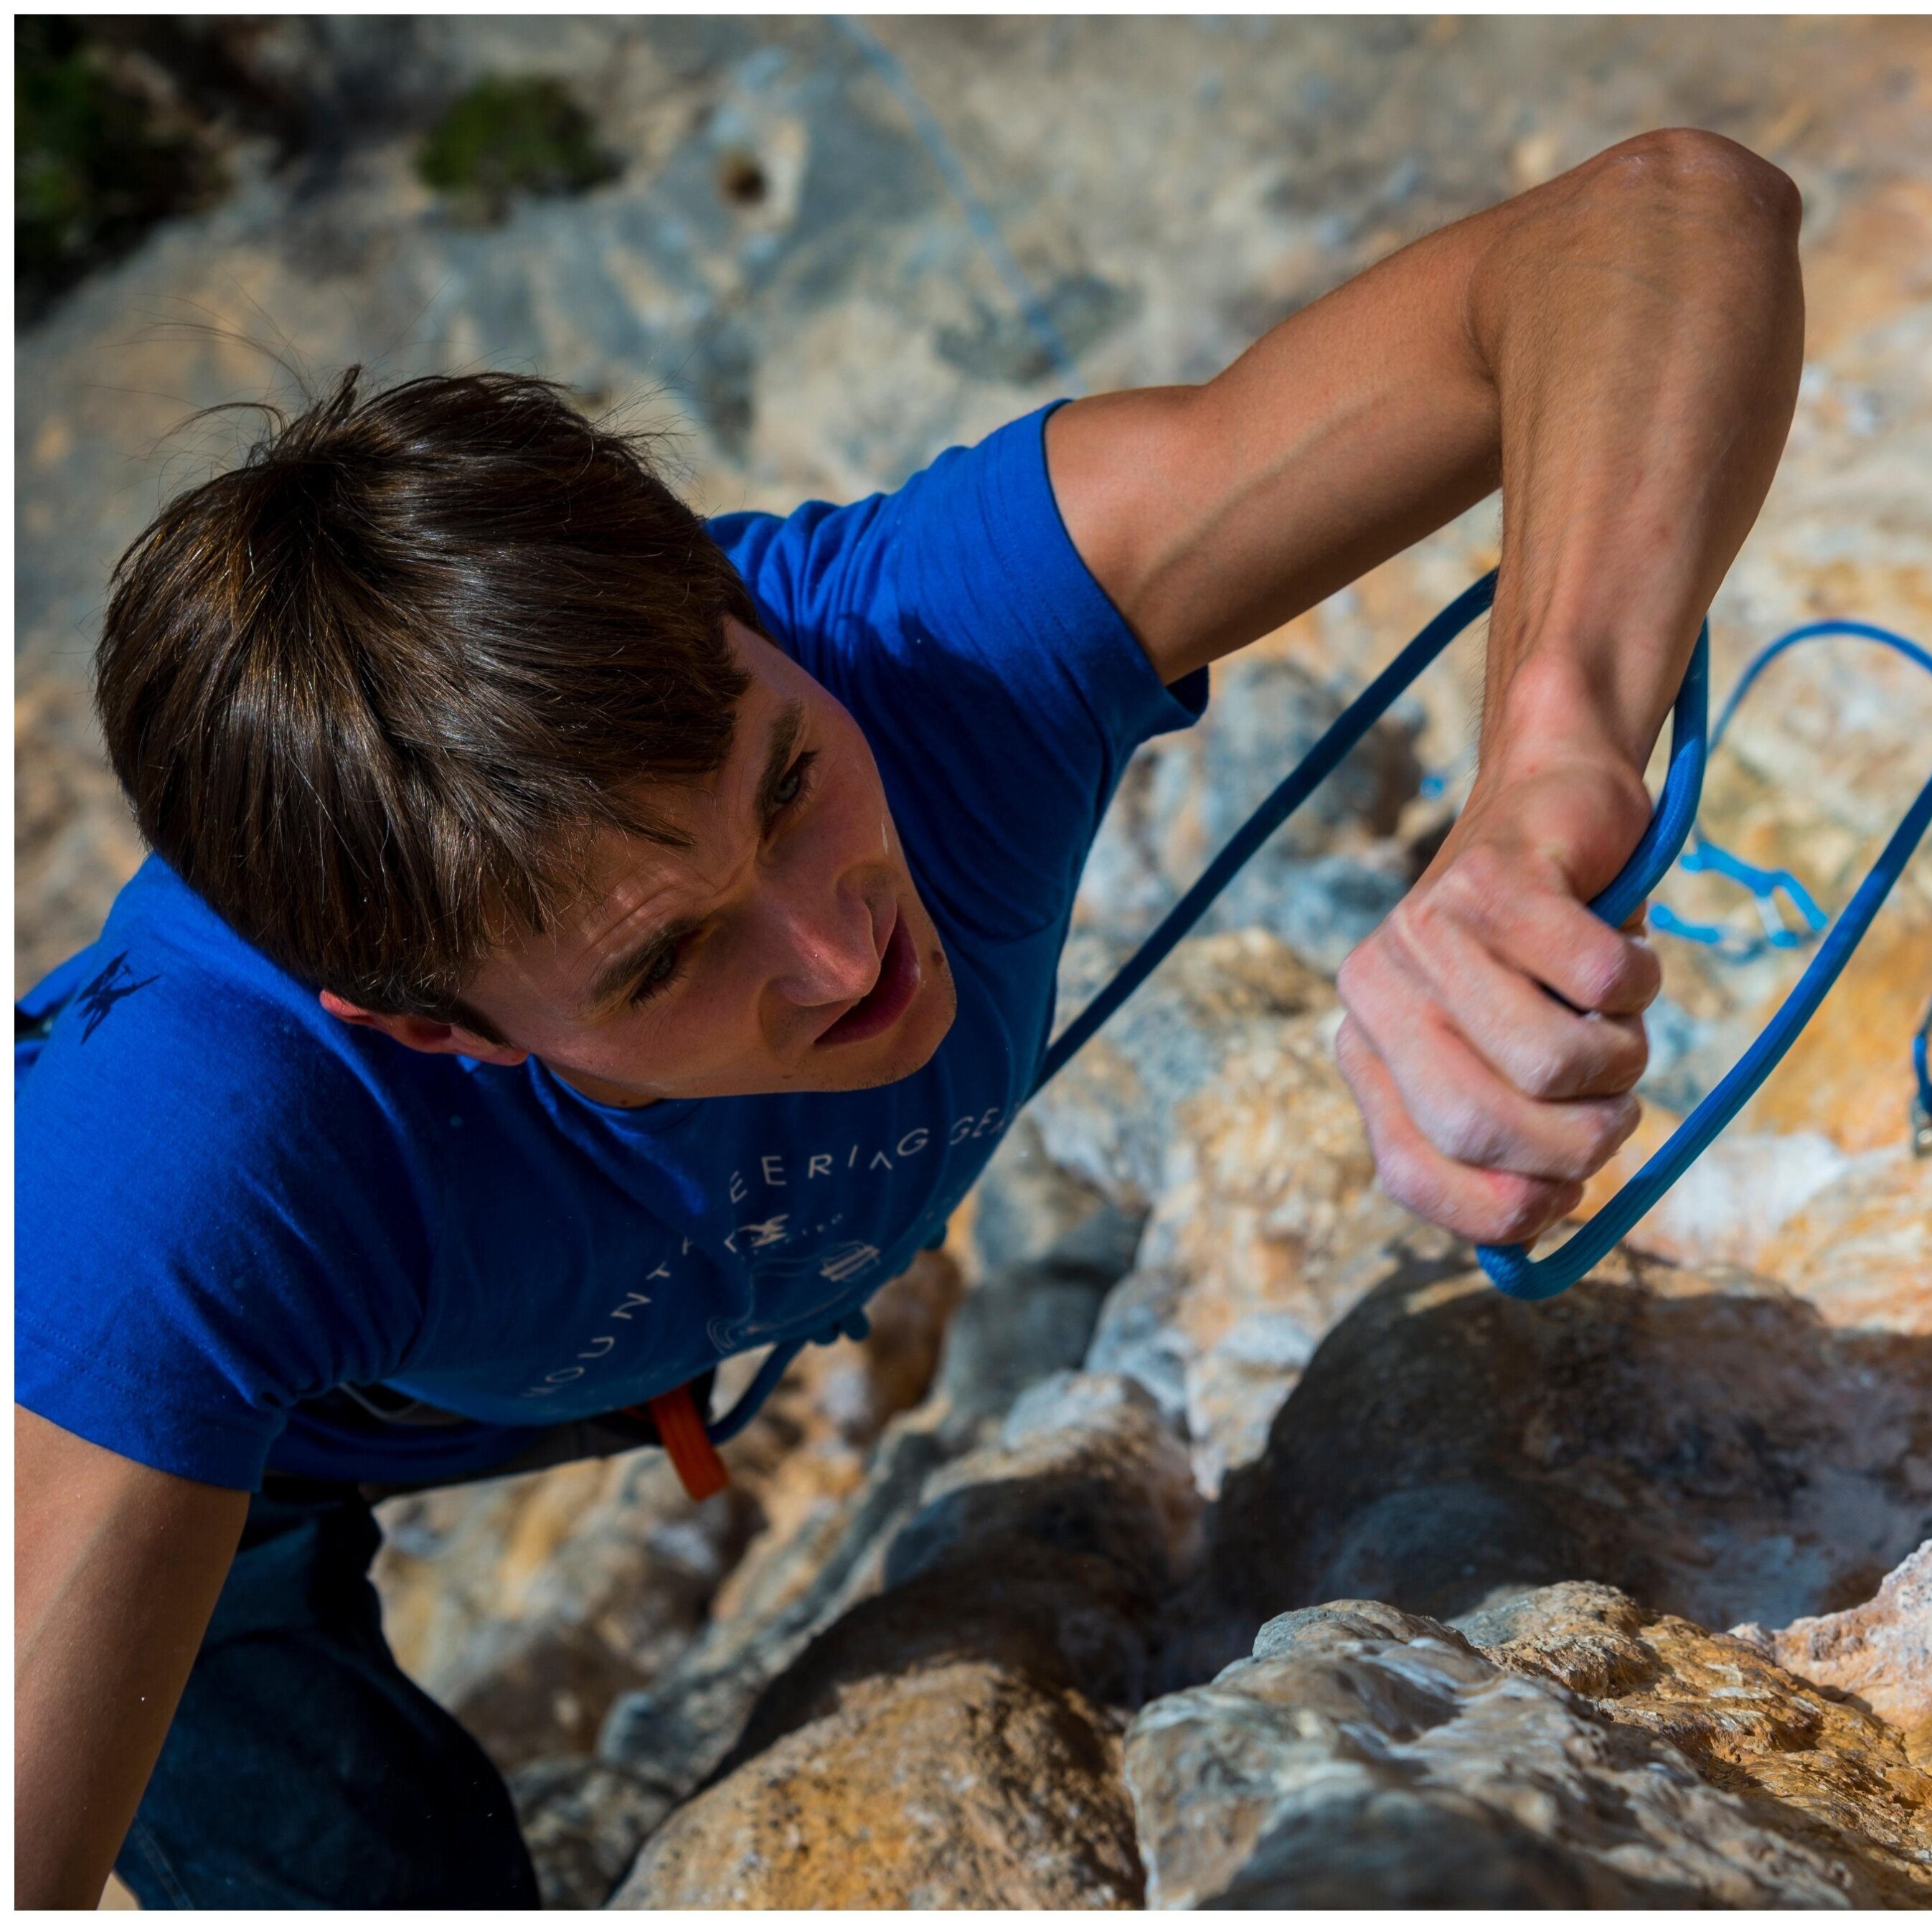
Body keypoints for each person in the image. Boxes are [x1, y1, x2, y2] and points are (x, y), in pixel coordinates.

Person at [14, 128, 1801, 1907]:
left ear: (748, 612)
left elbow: (1661, 224)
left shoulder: (931, 644)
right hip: (234, 1419)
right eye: (667, 957)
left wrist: (1546, 765)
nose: (835, 943)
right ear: (436, 1033)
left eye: (790, 780)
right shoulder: (185, 1181)